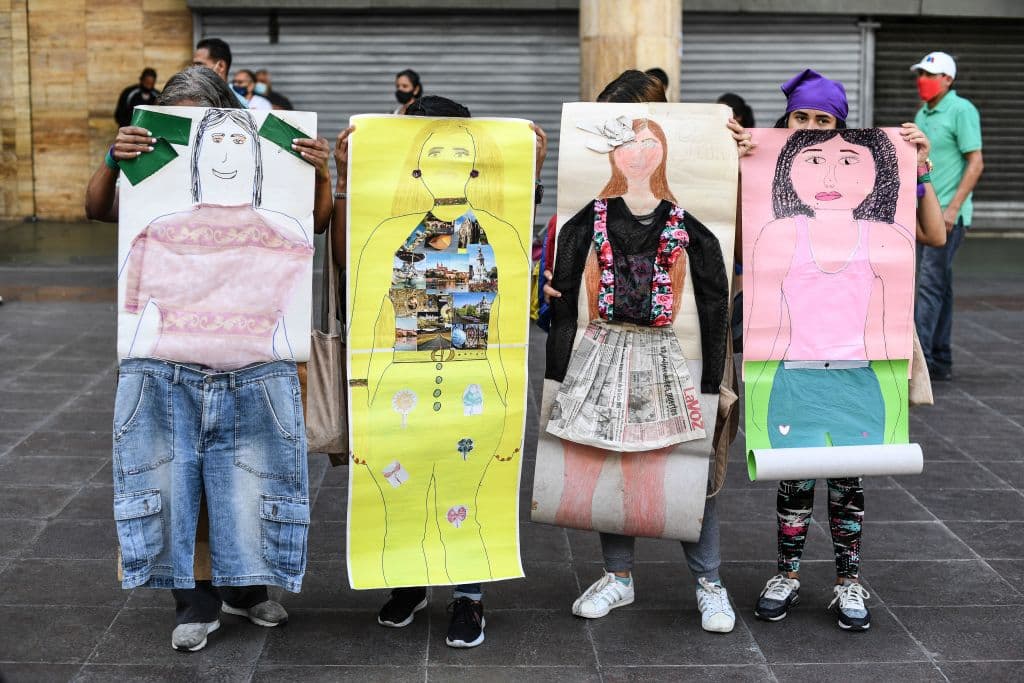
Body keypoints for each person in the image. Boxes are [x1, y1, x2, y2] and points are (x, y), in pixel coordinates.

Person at [84, 66, 333, 652]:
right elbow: (98, 208)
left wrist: (321, 173)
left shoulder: (271, 180)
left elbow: (315, 222)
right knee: (180, 485)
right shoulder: (150, 161)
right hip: (171, 367)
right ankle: (194, 601)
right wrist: (113, 159)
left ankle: (245, 591)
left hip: (253, 368)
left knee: (247, 481)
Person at [334, 95, 547, 649]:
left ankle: (468, 598)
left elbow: (509, 319)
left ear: (475, 163)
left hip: (474, 385)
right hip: (399, 382)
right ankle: (407, 583)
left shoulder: (500, 229)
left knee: (467, 495)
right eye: (434, 152)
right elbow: (360, 306)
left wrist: (534, 172)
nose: (448, 163)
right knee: (399, 491)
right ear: (416, 164)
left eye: (460, 152)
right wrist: (344, 180)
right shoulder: (385, 230)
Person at [741, 68, 942, 633]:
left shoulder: (881, 231)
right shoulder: (776, 227)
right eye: (799, 120)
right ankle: (787, 573)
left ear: (841, 130)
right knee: (794, 481)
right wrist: (735, 160)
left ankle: (848, 580)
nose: (808, 129)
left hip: (857, 372)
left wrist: (919, 171)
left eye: (821, 121)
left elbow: (936, 235)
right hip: (791, 372)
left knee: (849, 483)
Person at [543, 69, 738, 634]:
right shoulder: (590, 214)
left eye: (645, 136)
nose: (635, 149)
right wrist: (551, 297)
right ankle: (619, 576)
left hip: (666, 354)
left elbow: (714, 290)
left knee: (686, 466)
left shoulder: (687, 220)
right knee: (612, 457)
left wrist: (710, 382)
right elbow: (558, 278)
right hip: (604, 350)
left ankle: (709, 581)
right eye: (620, 138)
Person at [910, 51, 983, 382]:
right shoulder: (923, 113)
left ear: (947, 80)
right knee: (941, 286)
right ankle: (940, 358)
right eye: (921, 73)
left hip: (949, 217)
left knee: (928, 284)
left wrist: (953, 208)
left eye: (930, 74)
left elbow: (976, 162)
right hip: (927, 213)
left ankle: (920, 360)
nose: (922, 80)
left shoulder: (961, 109)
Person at [192, 38, 248, 108]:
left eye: (199, 64)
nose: (193, 69)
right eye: (193, 65)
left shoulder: (240, 105)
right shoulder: (190, 98)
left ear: (221, 66)